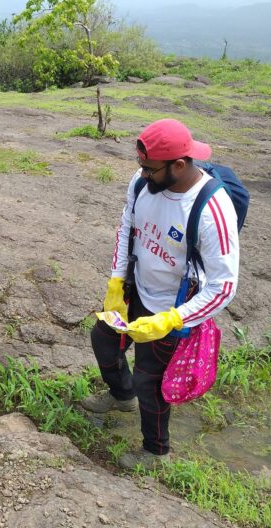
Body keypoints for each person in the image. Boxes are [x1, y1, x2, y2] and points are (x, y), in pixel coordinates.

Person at [82, 119, 240, 470]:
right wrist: (116, 280)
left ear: (179, 165)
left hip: (174, 308)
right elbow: (128, 227)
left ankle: (156, 451)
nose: (142, 175)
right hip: (135, 289)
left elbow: (224, 286)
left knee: (149, 381)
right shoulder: (142, 184)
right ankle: (122, 397)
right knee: (103, 339)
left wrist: (173, 319)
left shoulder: (212, 209)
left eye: (150, 170)